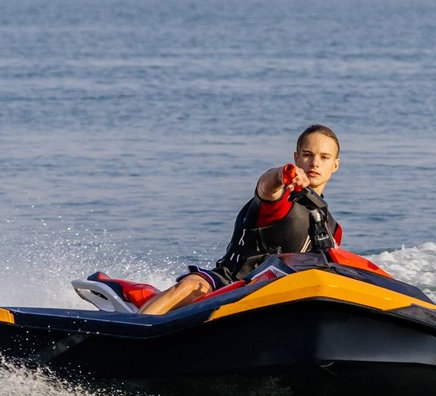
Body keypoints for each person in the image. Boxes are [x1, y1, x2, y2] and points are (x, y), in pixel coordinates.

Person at [139, 124, 343, 315]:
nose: (315, 163)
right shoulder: (281, 200)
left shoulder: (332, 228)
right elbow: (266, 185)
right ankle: (135, 332)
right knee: (193, 286)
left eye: (324, 157)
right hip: (230, 284)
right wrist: (282, 174)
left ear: (335, 165)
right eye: (307, 155)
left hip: (283, 298)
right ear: (296, 158)